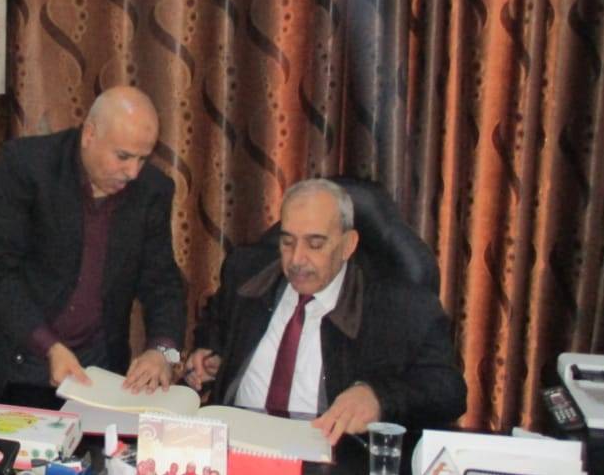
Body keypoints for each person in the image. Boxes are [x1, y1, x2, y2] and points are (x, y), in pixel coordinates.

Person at [184, 178, 466, 445]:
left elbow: (448, 390)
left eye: (315, 244)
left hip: (330, 457)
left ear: (347, 245)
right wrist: (210, 351)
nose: (296, 259)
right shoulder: (246, 273)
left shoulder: (400, 306)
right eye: (287, 242)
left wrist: (379, 397)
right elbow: (215, 322)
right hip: (234, 446)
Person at [0, 86, 186, 396]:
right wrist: (49, 346)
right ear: (89, 134)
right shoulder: (25, 167)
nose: (133, 172)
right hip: (15, 359)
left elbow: (163, 283)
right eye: (123, 156)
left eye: (143, 158)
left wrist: (163, 351)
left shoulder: (152, 190)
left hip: (97, 367)